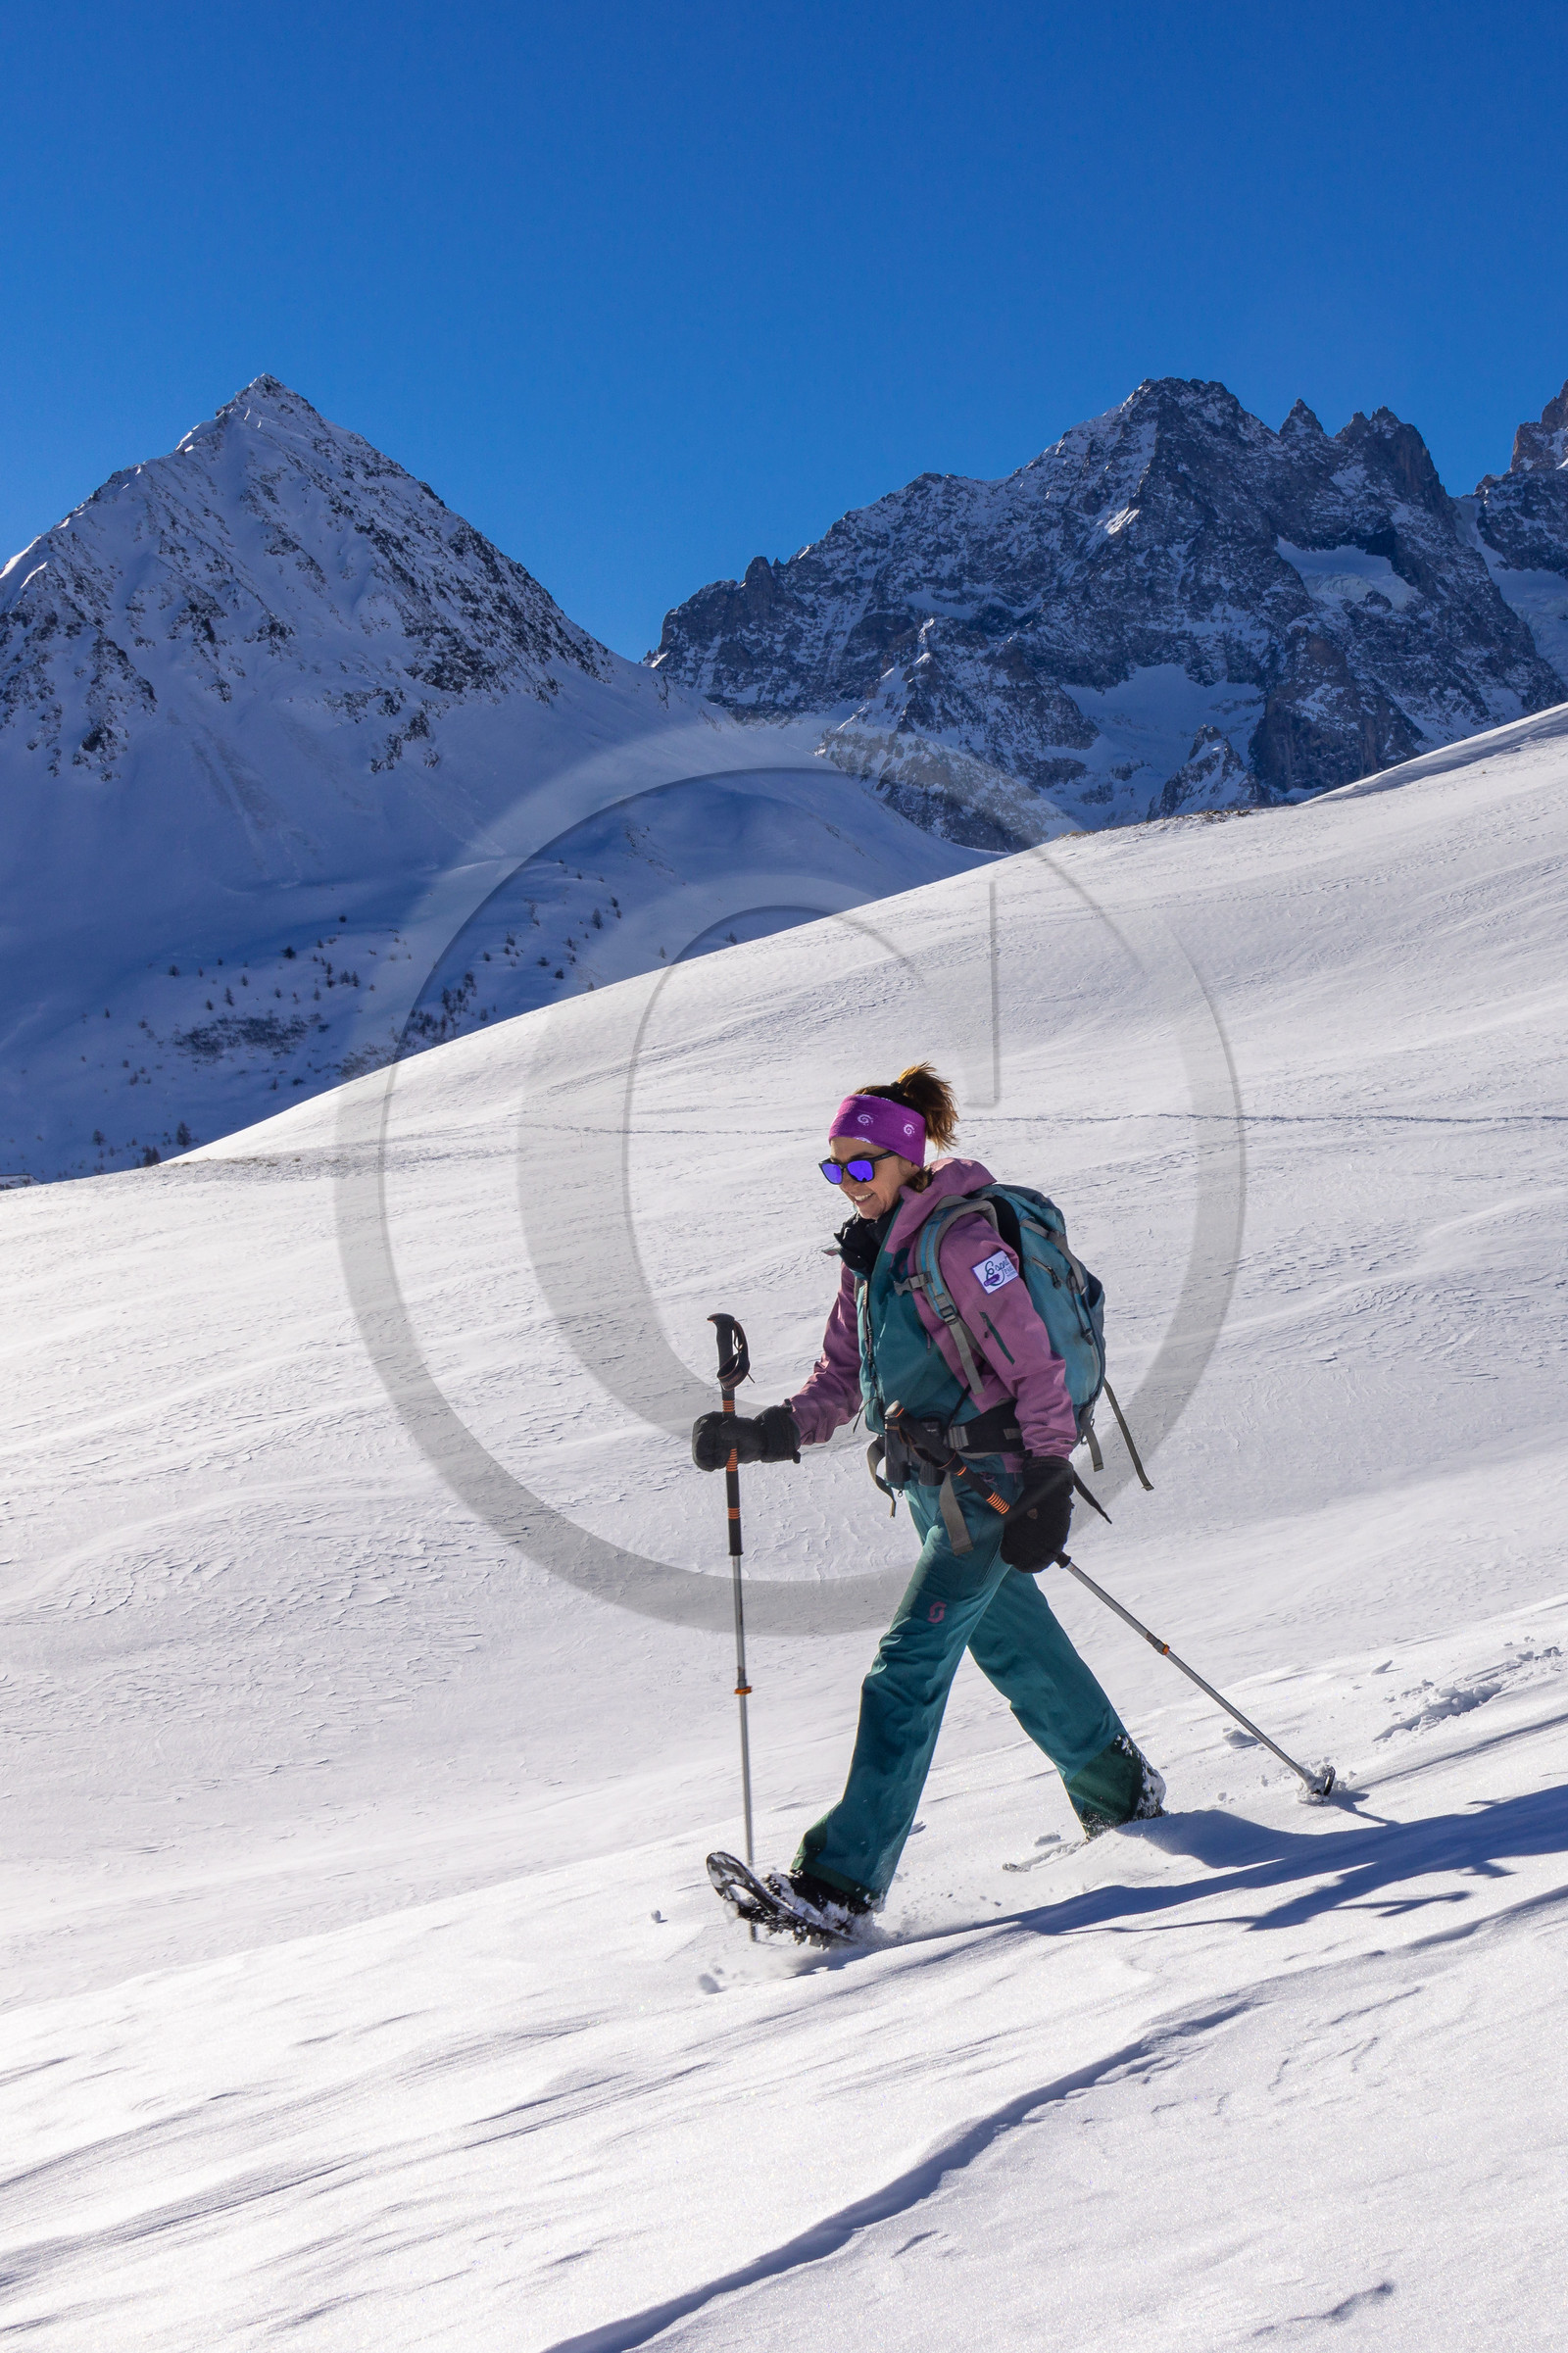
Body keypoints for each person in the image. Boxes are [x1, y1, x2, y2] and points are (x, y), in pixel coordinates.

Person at [692, 1062, 1163, 1933]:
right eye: (836, 1169)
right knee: (1018, 1650)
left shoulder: (959, 1245)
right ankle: (1123, 1792)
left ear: (907, 1158)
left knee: (907, 1666)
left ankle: (841, 1880)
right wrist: (766, 1434)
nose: (849, 1185)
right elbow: (841, 1380)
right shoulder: (872, 1257)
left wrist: (1051, 1475)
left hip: (992, 1485)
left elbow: (1035, 1366)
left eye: (861, 1166)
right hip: (928, 1484)